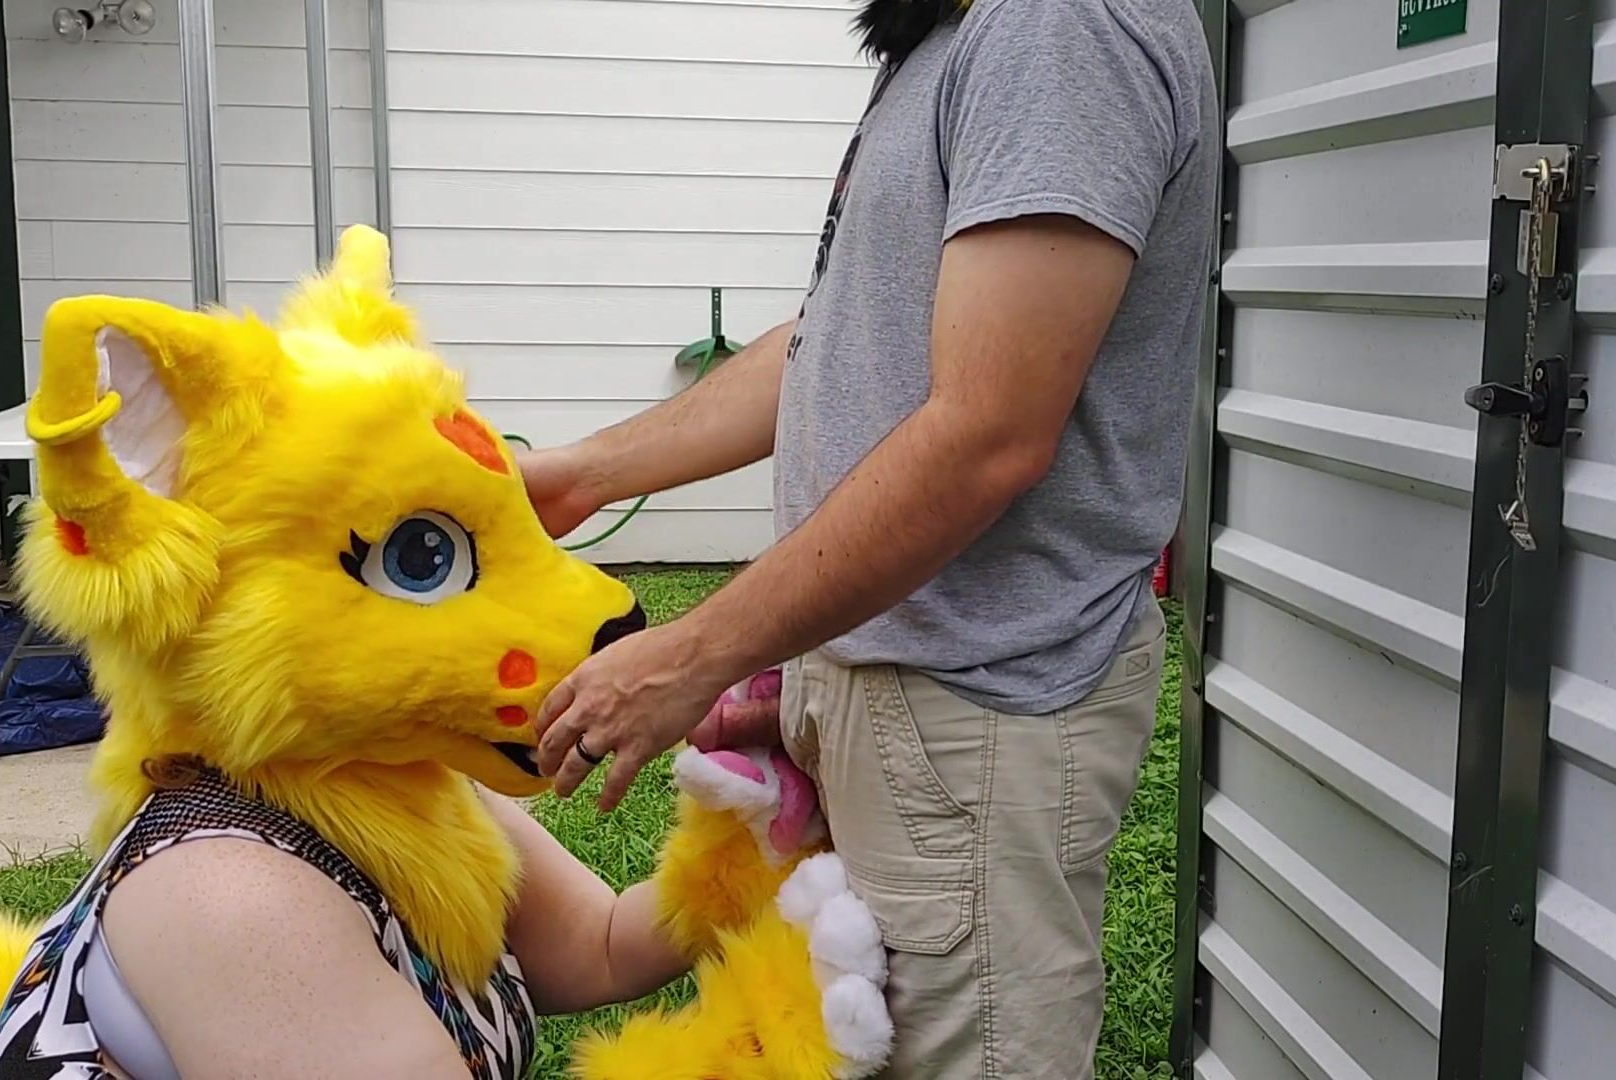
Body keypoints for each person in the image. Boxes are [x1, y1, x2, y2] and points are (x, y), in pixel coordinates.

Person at [519, 0, 1218, 1074]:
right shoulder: (955, 31)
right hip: (898, 683)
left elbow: (988, 434)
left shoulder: (1056, 26)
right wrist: (588, 475)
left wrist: (693, 653)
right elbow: (838, 333)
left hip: (974, 705)